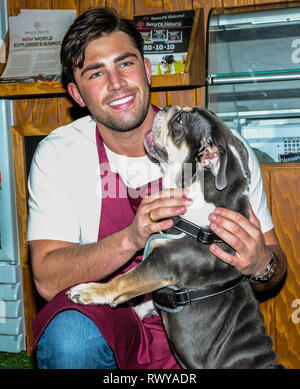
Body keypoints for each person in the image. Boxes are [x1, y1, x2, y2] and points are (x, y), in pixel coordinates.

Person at [27, 7, 286, 369]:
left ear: (147, 70)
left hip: (207, 326)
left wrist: (260, 263)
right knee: (71, 338)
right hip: (118, 321)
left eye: (126, 63)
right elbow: (47, 278)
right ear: (77, 94)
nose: (116, 83)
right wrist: (131, 238)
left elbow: (275, 267)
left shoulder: (218, 149)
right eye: (96, 73)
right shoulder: (59, 155)